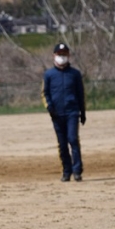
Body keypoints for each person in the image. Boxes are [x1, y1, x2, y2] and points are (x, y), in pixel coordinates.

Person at [42, 42, 86, 182]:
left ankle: (77, 170)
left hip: (72, 112)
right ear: (54, 56)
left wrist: (83, 111)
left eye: (64, 54)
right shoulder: (49, 74)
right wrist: (49, 107)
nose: (62, 57)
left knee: (73, 139)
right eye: (60, 54)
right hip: (57, 113)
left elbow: (80, 93)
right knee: (62, 144)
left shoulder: (75, 74)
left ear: (69, 56)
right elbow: (45, 93)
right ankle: (66, 171)